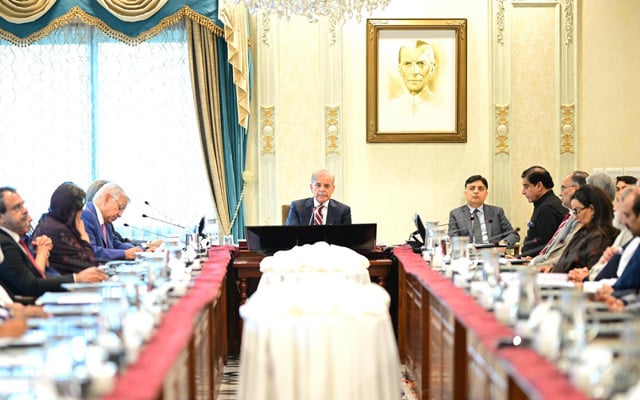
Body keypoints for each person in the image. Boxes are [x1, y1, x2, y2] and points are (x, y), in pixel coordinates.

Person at [0, 187, 107, 300]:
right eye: (17, 207)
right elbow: (30, 286)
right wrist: (76, 278)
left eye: (22, 205)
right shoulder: (5, 243)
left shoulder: (13, 239)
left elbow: (35, 278)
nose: (25, 211)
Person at [538, 185, 618, 273]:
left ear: (592, 209)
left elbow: (589, 271)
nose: (575, 217)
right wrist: (552, 268)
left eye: (577, 211)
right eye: (573, 212)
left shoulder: (600, 237)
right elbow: (569, 260)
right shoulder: (585, 231)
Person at [568, 186, 636, 282]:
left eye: (619, 203)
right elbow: (602, 265)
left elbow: (624, 279)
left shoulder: (601, 235)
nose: (615, 208)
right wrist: (589, 273)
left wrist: (588, 277)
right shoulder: (627, 233)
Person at [382, 40, 450, 132]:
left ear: (432, 68)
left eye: (421, 64)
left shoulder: (444, 110)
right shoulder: (387, 110)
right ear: (400, 70)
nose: (414, 72)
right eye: (407, 64)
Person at [32, 183, 96, 275]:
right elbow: (89, 264)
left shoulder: (51, 222)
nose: (82, 212)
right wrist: (83, 235)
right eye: (80, 208)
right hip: (61, 285)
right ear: (72, 210)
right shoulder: (57, 230)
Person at [528, 171, 588, 267]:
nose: (560, 193)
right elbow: (552, 249)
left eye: (563, 188)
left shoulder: (580, 219)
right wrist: (533, 261)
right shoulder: (570, 215)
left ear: (575, 189)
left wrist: (534, 263)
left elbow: (564, 253)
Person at [447, 175, 519, 246]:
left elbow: (513, 235)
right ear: (465, 193)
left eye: (480, 189)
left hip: (493, 254)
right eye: (472, 188)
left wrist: (503, 243)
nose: (476, 192)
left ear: (486, 194)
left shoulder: (497, 212)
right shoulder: (456, 214)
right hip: (469, 255)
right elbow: (453, 239)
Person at [81, 183, 143, 261]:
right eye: (120, 207)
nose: (120, 215)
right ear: (107, 199)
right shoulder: (85, 216)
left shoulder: (106, 221)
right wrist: (125, 254)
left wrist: (140, 251)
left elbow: (115, 244)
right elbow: (92, 251)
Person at [519, 166, 568, 257]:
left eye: (526, 187)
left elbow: (543, 247)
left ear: (539, 186)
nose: (523, 192)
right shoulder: (546, 204)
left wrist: (519, 260)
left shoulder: (547, 209)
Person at [285, 169, 351, 226]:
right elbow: (290, 235)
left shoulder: (343, 211)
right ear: (311, 187)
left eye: (327, 186)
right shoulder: (297, 207)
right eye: (318, 185)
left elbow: (346, 238)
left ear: (333, 189)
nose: (322, 189)